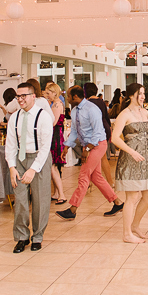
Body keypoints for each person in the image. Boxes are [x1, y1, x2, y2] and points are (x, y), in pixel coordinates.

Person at [56, 86, 123, 220]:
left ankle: (73, 209)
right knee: (96, 177)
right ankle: (117, 202)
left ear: (75, 97)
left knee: (83, 176)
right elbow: (74, 131)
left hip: (98, 145)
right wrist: (66, 147)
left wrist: (87, 150)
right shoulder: (75, 111)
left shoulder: (92, 109)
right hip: (88, 145)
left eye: (68, 96)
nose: (67, 99)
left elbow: (98, 133)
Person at [6, 82, 54, 253]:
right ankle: (21, 237)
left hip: (39, 158)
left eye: (23, 96)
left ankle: (38, 236)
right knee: (20, 200)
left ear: (33, 96)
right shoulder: (15, 117)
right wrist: (12, 167)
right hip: (20, 158)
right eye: (18, 96)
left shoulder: (43, 117)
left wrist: (33, 169)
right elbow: (10, 144)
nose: (20, 99)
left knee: (41, 200)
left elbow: (45, 146)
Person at [111, 83, 148, 243]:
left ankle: (135, 225)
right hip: (130, 158)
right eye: (140, 93)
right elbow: (115, 138)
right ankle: (126, 233)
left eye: (144, 93)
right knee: (132, 197)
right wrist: (132, 152)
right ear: (131, 95)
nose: (143, 96)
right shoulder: (125, 114)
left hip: (144, 158)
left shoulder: (145, 112)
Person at [85, 82, 114, 188]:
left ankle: (89, 181)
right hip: (105, 128)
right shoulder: (101, 102)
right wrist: (110, 130)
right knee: (102, 156)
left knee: (92, 156)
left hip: (95, 131)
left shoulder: (87, 104)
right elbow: (107, 117)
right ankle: (110, 181)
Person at [44, 82, 67, 204]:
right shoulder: (56, 104)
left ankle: (61, 194)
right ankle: (57, 193)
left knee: (53, 167)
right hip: (55, 135)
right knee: (54, 167)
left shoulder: (57, 105)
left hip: (55, 137)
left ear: (54, 92)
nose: (47, 95)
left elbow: (53, 122)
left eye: (48, 93)